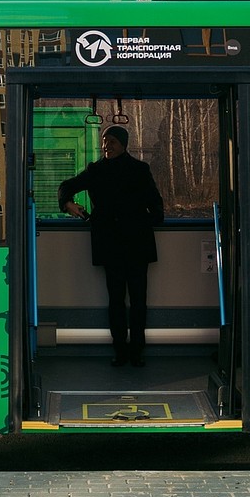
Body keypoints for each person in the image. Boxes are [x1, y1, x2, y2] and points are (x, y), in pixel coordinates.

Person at [58, 125, 164, 368]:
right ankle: (123, 350)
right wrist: (68, 204)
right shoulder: (100, 170)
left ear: (123, 144)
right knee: (119, 300)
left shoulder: (137, 169)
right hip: (124, 244)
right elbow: (66, 187)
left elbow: (157, 207)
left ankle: (134, 351)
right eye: (105, 141)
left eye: (112, 141)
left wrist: (142, 221)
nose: (106, 145)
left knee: (134, 300)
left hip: (124, 243)